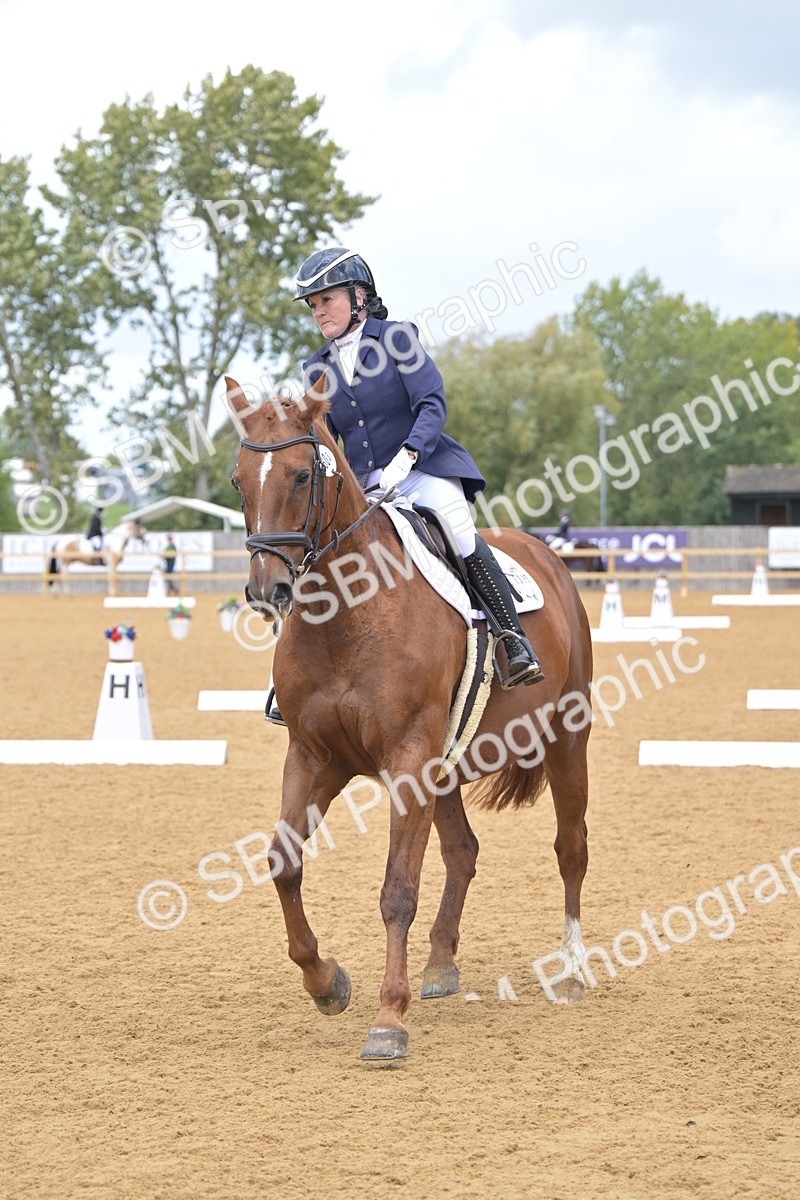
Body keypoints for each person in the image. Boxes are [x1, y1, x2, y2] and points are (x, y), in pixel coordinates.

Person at [265, 247, 545, 726]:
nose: (319, 312)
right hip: (361, 485)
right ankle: (287, 678)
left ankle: (510, 639)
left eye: (326, 300)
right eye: (312, 305)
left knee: (458, 531)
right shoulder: (316, 366)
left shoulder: (397, 340)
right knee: (317, 552)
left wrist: (407, 458)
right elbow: (325, 436)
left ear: (358, 297)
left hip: (423, 469)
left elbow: (432, 404)